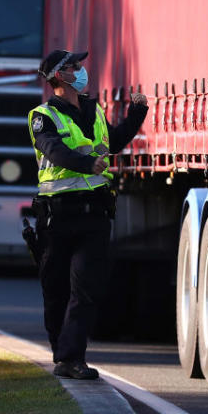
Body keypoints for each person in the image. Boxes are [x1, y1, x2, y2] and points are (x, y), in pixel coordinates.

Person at [27, 49, 148, 380]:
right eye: (74, 67)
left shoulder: (94, 112)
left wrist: (138, 112)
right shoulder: (42, 116)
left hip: (94, 214)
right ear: (59, 77)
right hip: (57, 218)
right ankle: (62, 353)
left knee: (85, 290)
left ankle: (72, 358)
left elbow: (114, 142)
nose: (82, 71)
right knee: (56, 291)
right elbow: (54, 149)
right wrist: (85, 163)